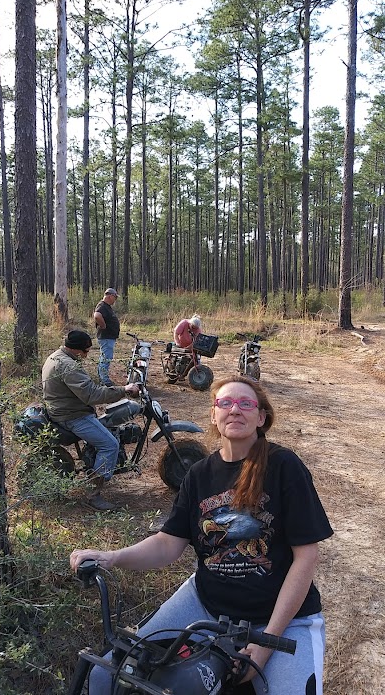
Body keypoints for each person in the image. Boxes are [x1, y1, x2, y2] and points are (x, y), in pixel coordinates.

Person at [70, 375, 333, 695]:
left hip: (284, 619)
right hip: (205, 605)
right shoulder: (198, 474)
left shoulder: (283, 466)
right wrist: (112, 557)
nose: (235, 409)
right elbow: (168, 544)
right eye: (226, 403)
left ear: (260, 417)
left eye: (246, 403)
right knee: (106, 674)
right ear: (213, 415)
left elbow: (306, 556)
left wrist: (269, 643)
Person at [42, 330, 139, 511]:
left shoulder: (57, 356)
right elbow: (91, 394)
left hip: (65, 410)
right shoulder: (68, 365)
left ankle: (98, 470)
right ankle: (93, 496)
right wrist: (124, 389)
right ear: (76, 350)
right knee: (110, 445)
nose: (87, 355)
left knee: (108, 426)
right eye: (86, 351)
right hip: (71, 416)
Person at [94, 288, 121, 386]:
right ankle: (104, 381)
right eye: (115, 297)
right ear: (110, 296)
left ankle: (102, 378)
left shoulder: (106, 306)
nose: (115, 300)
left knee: (104, 357)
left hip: (108, 337)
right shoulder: (102, 306)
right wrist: (103, 325)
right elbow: (97, 315)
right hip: (106, 337)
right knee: (106, 358)